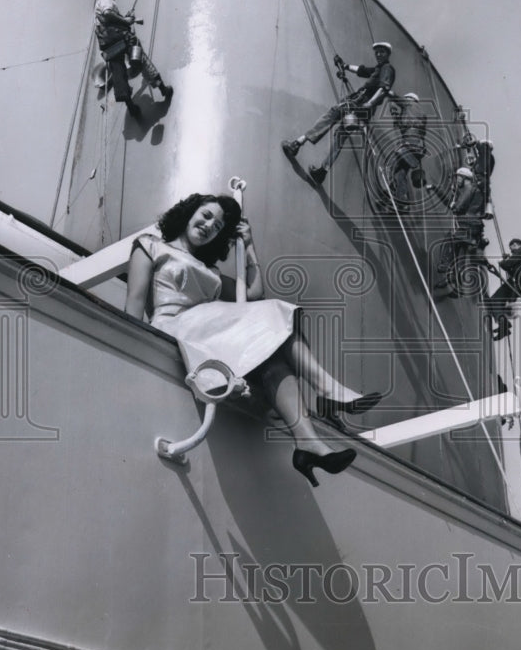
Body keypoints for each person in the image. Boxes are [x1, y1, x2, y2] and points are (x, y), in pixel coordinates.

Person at [124, 193, 382, 486]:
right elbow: (133, 305)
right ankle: (326, 388)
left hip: (207, 331)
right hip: (174, 326)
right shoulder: (151, 245)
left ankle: (308, 444)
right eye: (206, 215)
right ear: (189, 211)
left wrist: (248, 246)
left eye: (218, 226)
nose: (209, 225)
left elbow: (254, 293)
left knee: (274, 365)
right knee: (276, 311)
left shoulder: (211, 272)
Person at [281, 42, 396, 185]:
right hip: (363, 109)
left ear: (388, 54)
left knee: (331, 115)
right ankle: (322, 172)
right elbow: (362, 70)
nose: (378, 54)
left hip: (360, 104)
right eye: (377, 52)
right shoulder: (378, 69)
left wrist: (369, 103)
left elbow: (384, 89)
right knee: (340, 136)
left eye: (382, 52)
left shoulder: (387, 69)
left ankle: (297, 144)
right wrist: (345, 66)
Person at [94, 0, 172, 120]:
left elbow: (108, 21)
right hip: (121, 39)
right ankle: (163, 89)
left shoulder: (99, 5)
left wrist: (125, 18)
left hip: (109, 46)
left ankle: (131, 107)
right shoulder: (106, 0)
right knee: (141, 58)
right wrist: (125, 21)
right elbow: (107, 13)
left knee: (118, 74)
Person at [487, 238, 521, 340]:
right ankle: (504, 326)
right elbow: (510, 269)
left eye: (511, 248)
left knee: (494, 301)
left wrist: (503, 261)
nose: (511, 251)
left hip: (516, 284)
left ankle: (504, 326)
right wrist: (506, 262)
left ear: (515, 245)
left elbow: (507, 265)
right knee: (495, 302)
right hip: (518, 285)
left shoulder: (520, 252)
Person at [387, 92, 428, 204]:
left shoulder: (408, 104)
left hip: (409, 142)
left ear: (409, 99)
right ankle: (402, 200)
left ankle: (389, 191)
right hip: (419, 146)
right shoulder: (422, 113)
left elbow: (394, 96)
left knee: (391, 166)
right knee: (401, 173)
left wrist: (386, 91)